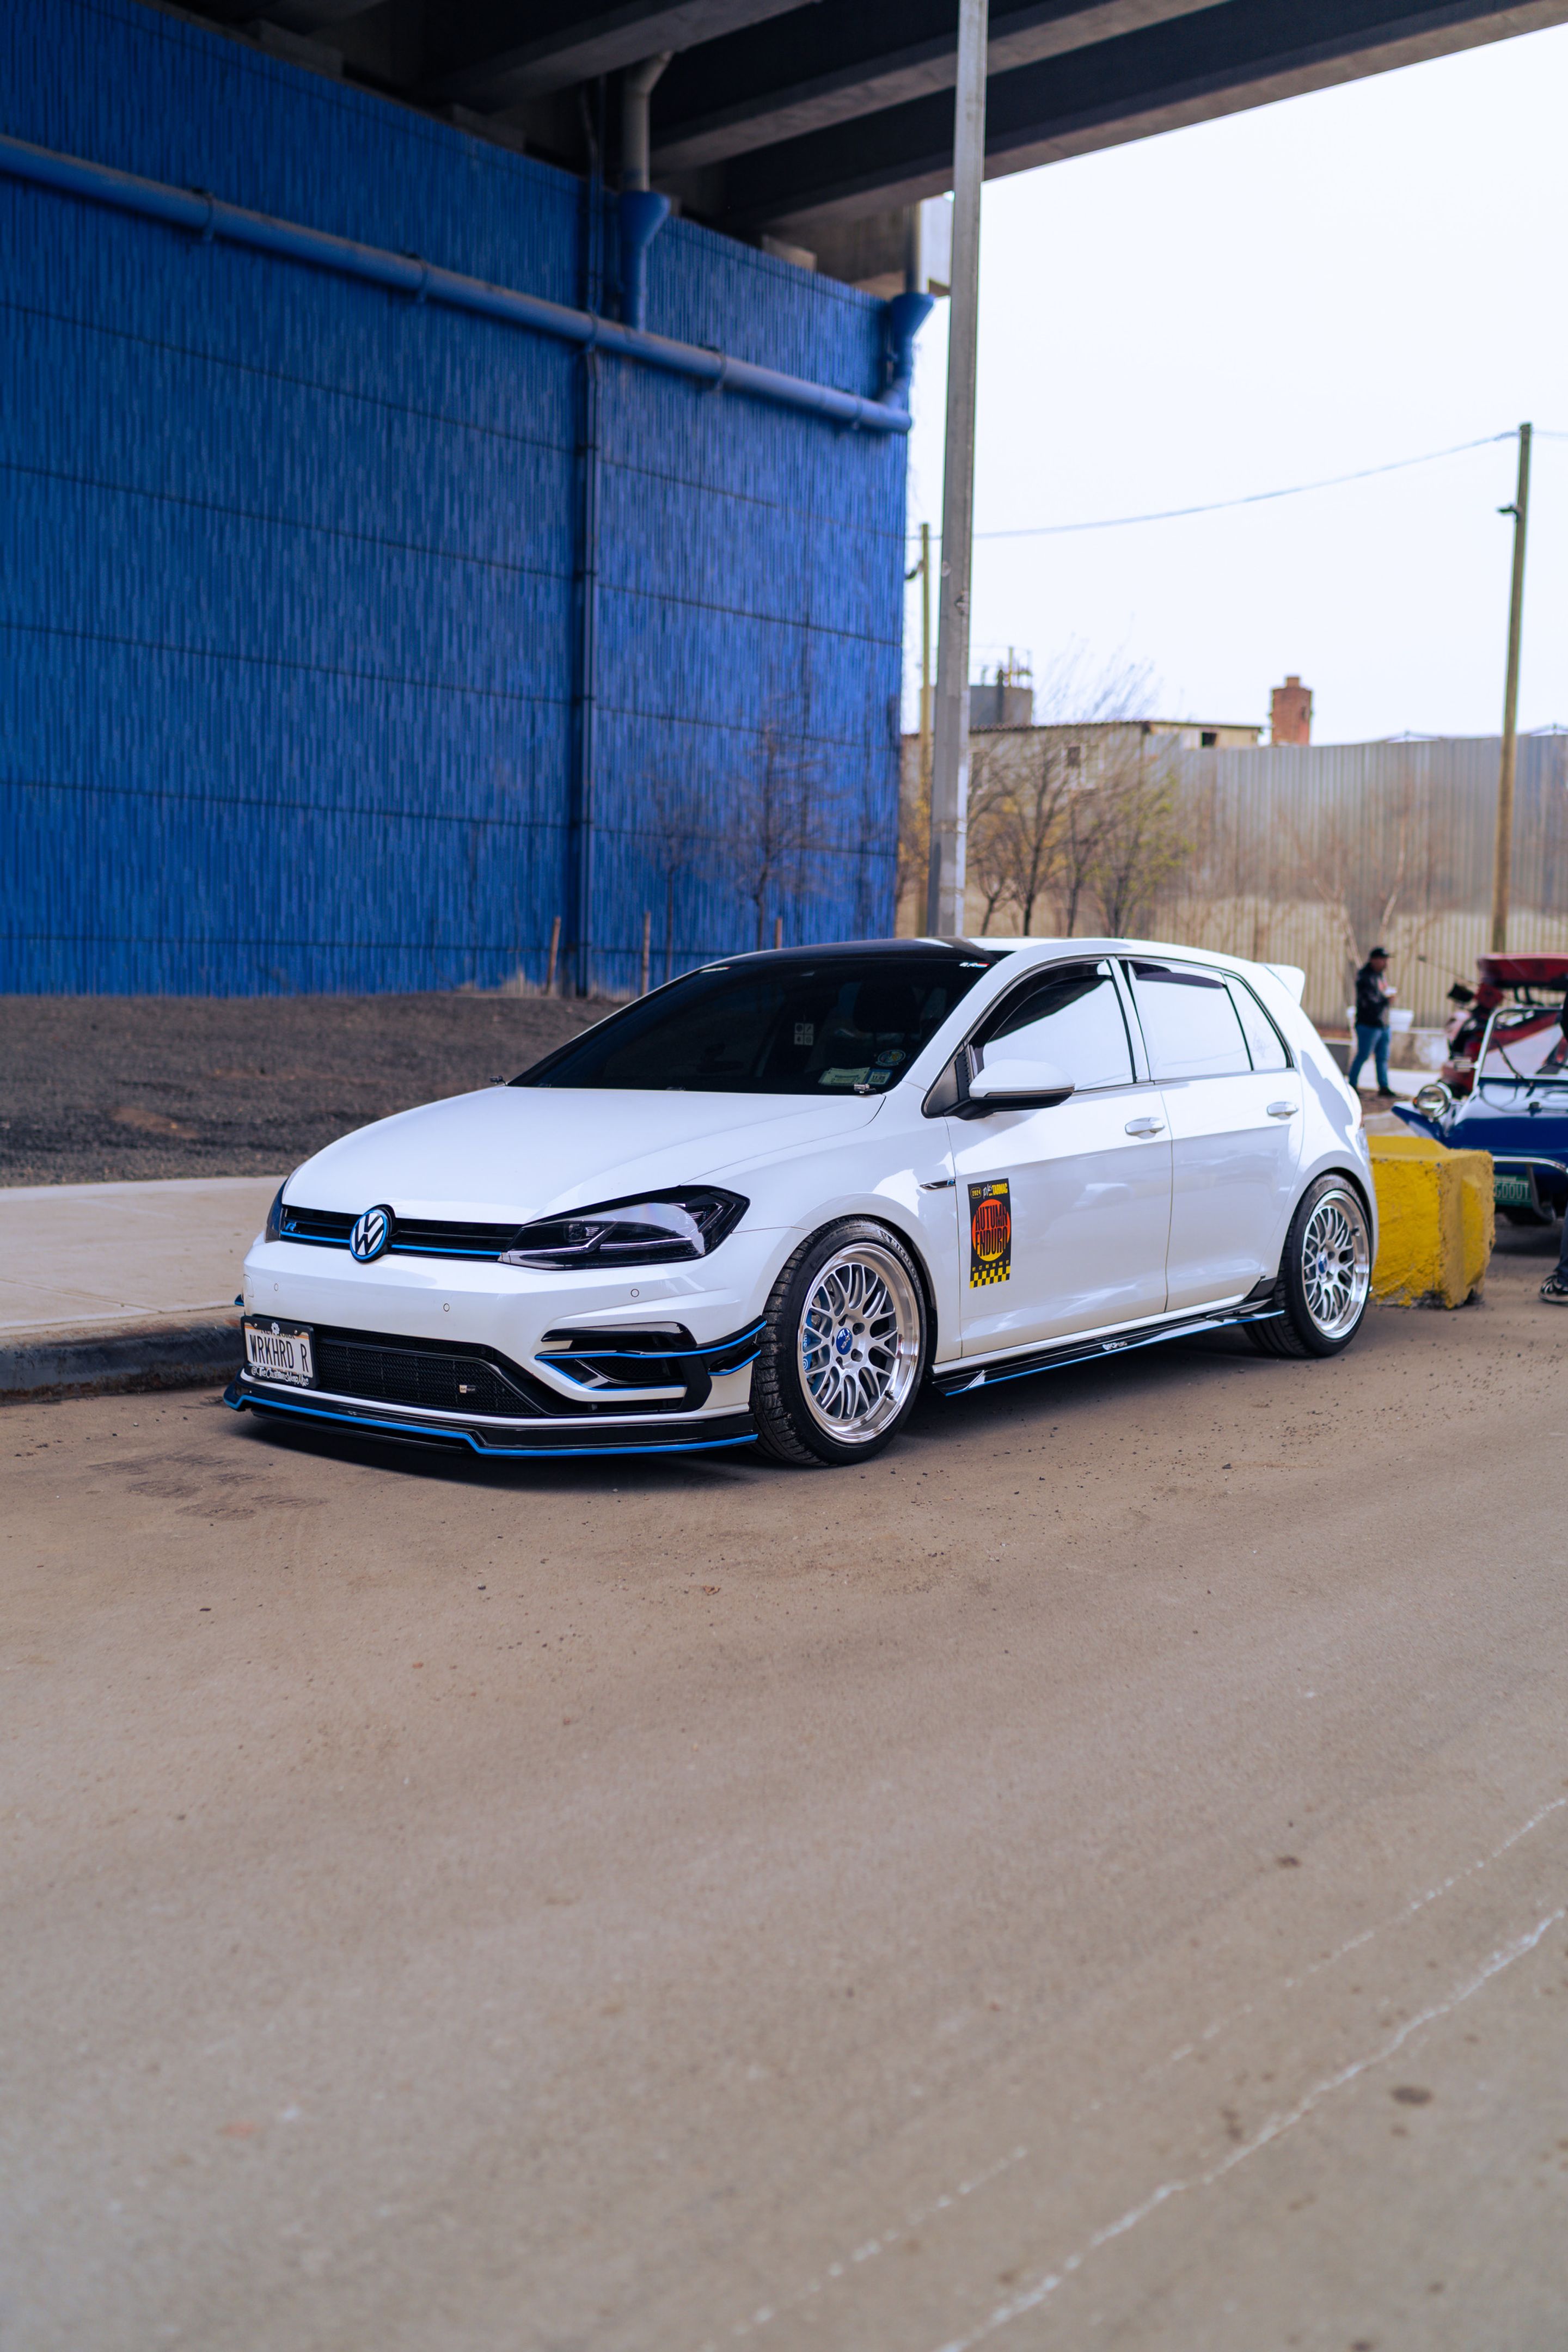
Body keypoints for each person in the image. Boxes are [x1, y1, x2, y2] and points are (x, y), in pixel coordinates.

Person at [1347, 947, 1395, 1097]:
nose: (1386, 963)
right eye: (1383, 960)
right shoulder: (1365, 977)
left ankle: (1384, 1086)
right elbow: (1368, 1001)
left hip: (1382, 1024)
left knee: (1383, 1057)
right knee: (1363, 1055)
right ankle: (1352, 1085)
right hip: (1368, 1024)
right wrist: (1385, 1000)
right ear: (1374, 960)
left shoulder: (1380, 976)